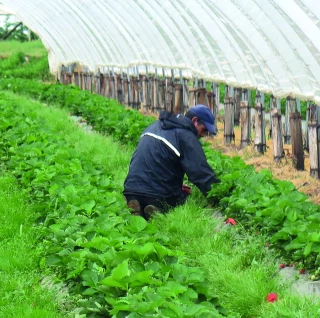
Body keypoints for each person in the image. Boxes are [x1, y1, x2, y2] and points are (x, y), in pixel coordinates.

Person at [123, 104, 221, 219]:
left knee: (151, 190)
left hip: (131, 188)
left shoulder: (154, 126)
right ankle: (157, 208)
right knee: (184, 198)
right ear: (194, 120)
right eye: (204, 130)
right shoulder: (186, 136)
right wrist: (219, 199)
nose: (203, 135)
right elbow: (201, 173)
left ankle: (137, 204)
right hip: (159, 194)